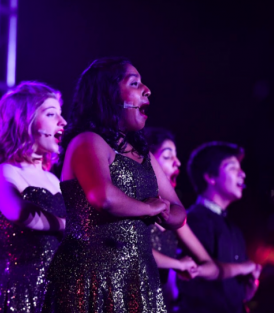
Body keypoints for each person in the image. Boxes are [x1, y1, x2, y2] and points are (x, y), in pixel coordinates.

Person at [42, 57, 186, 313]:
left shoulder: (144, 156)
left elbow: (178, 210)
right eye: (135, 83)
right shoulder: (88, 141)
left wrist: (164, 210)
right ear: (108, 93)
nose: (147, 90)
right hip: (90, 276)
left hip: (138, 277)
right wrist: (150, 208)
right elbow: (103, 196)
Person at [0, 82, 67, 313]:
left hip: (54, 294)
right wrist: (69, 225)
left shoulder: (54, 180)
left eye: (60, 115)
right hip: (14, 293)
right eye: (51, 114)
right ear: (24, 122)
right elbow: (18, 212)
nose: (63, 122)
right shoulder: (4, 172)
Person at [177, 142, 261, 313]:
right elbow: (192, 284)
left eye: (241, 168)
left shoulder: (233, 228)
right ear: (210, 176)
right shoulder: (193, 221)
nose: (242, 174)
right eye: (232, 168)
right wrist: (245, 267)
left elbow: (234, 292)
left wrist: (248, 291)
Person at [144, 128, 219, 312]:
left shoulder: (175, 215)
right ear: (150, 160)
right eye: (168, 156)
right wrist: (178, 264)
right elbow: (134, 250)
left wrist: (193, 270)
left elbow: (212, 268)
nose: (178, 162)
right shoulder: (135, 204)